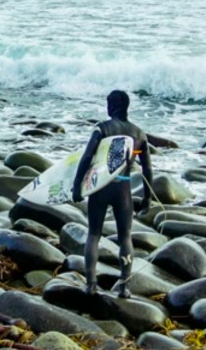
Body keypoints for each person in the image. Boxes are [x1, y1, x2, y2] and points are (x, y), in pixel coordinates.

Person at [71, 89, 154, 298]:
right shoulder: (139, 134)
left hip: (100, 187)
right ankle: (124, 287)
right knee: (126, 236)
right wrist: (147, 197)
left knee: (94, 234)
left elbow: (87, 156)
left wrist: (77, 185)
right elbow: (147, 170)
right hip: (123, 188)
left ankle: (91, 284)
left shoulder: (103, 128)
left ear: (111, 106)